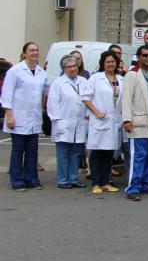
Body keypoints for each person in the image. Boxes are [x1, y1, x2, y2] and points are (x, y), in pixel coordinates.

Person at [2, 43, 48, 191]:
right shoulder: (15, 71)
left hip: (34, 118)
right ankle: (17, 181)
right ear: (24, 53)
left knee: (32, 150)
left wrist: (42, 108)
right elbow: (7, 94)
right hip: (18, 117)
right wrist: (9, 115)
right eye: (31, 50)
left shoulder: (41, 72)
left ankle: (32, 179)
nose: (35, 52)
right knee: (18, 150)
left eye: (37, 50)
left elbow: (46, 91)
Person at [122, 44, 148, 201]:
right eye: (145, 55)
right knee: (139, 155)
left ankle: (144, 183)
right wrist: (127, 119)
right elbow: (126, 98)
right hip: (138, 121)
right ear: (138, 57)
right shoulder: (132, 75)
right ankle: (133, 187)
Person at [47, 56, 91, 189]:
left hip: (80, 122)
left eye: (74, 66)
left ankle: (73, 178)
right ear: (64, 69)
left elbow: (89, 99)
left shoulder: (84, 81)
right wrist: (58, 121)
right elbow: (53, 103)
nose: (72, 69)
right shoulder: (58, 83)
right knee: (63, 153)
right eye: (69, 67)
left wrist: (87, 115)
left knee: (77, 153)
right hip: (63, 122)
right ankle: (62, 180)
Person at [85, 51, 122, 194]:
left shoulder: (121, 79)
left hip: (113, 121)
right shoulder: (96, 78)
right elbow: (85, 97)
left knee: (108, 153)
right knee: (97, 153)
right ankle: (95, 183)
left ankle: (106, 182)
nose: (110, 64)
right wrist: (96, 112)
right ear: (103, 63)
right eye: (108, 62)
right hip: (99, 120)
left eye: (113, 61)